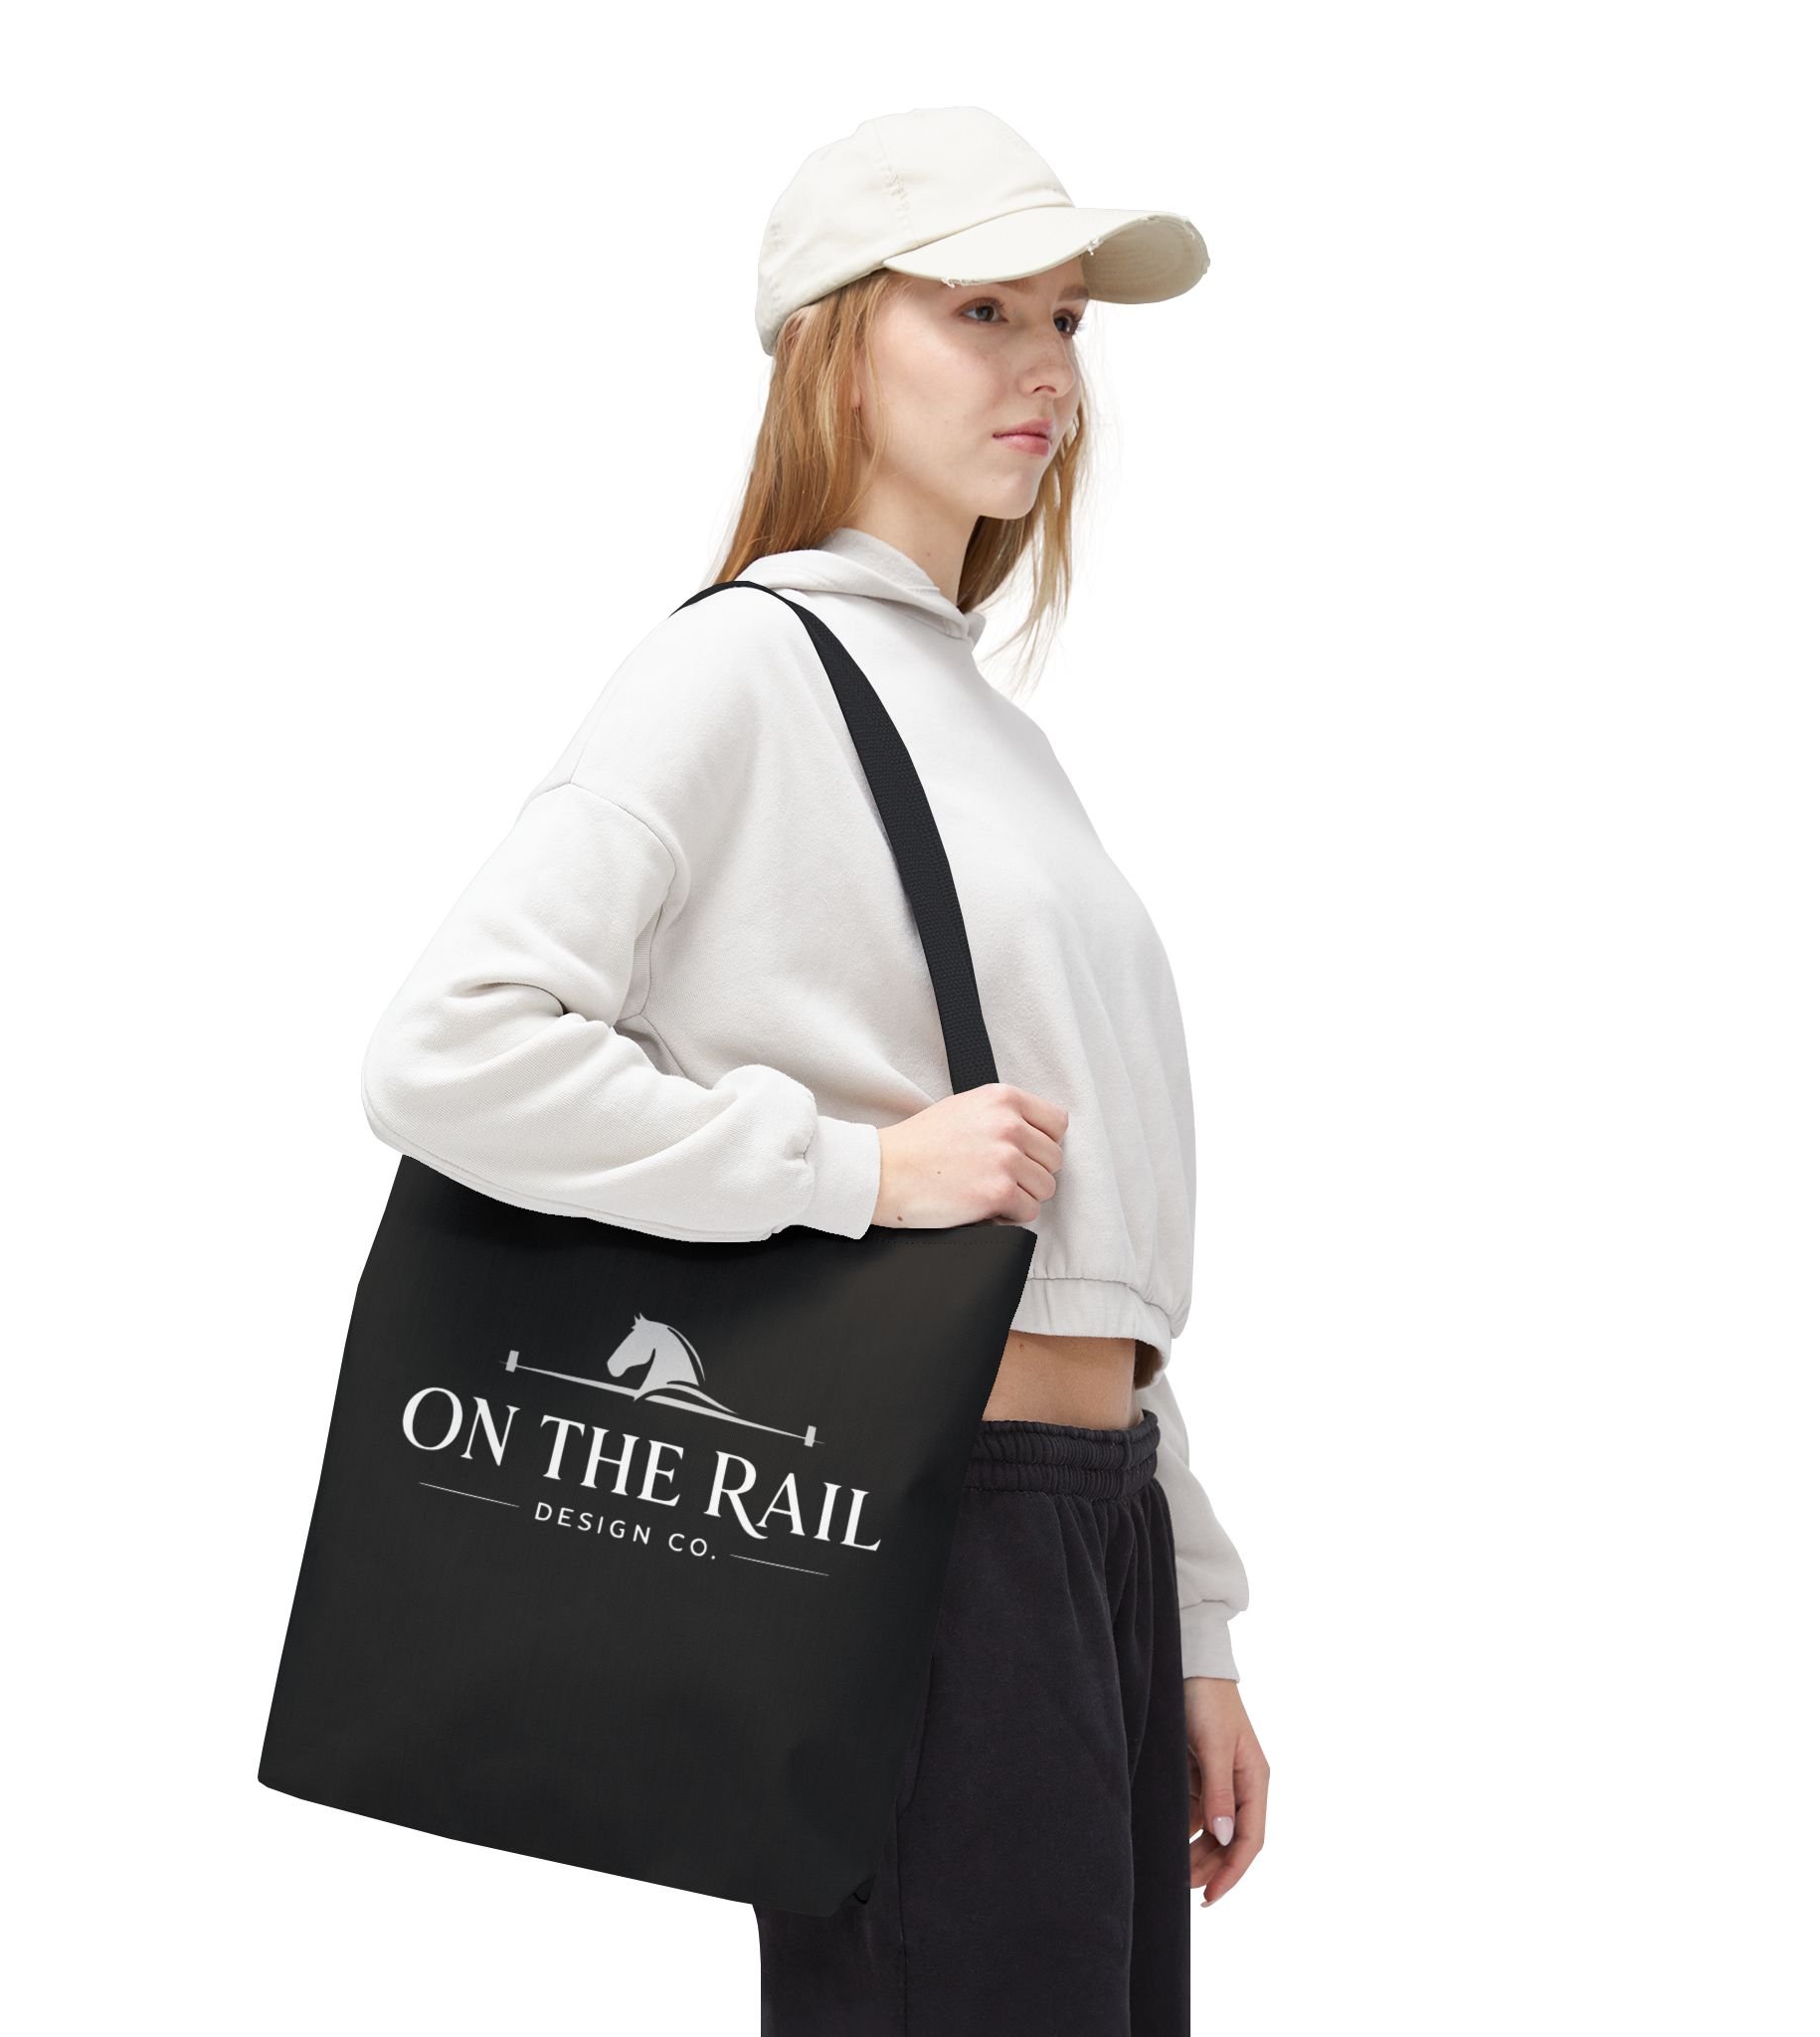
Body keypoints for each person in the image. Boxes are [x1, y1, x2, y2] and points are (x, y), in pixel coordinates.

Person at [359, 104, 1268, 2036]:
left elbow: (1087, 1238)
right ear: (836, 348)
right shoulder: (739, 670)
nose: (1046, 365)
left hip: (1084, 1526)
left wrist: (1188, 1616)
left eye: (1067, 320)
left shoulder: (994, 734)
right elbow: (448, 1052)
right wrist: (855, 1173)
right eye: (981, 310)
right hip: (929, 1523)